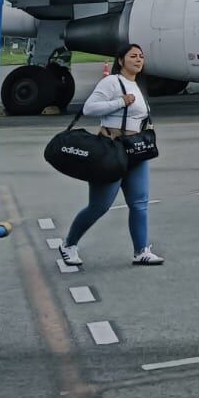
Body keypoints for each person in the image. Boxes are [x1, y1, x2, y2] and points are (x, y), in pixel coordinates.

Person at [59, 44, 164, 268]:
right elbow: (89, 109)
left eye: (141, 57)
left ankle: (141, 250)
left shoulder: (136, 85)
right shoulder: (112, 82)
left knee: (139, 203)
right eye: (133, 56)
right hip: (111, 149)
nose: (138, 60)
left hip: (135, 150)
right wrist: (120, 102)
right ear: (120, 61)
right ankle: (69, 244)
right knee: (100, 206)